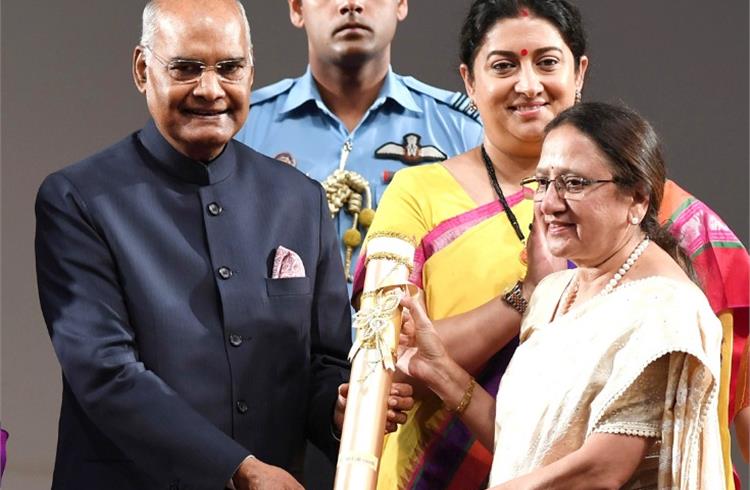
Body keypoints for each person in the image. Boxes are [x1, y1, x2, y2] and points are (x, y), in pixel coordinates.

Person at [358, 1, 748, 488]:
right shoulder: (426, 200)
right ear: (469, 81)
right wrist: (451, 365)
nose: (528, 84)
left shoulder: (672, 235)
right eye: (504, 65)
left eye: (546, 61)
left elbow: (727, 398)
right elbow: (523, 437)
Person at [34, 1, 413, 489]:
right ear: (142, 70)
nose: (210, 90)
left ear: (250, 72)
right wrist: (240, 470)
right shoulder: (80, 199)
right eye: (187, 68)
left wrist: (342, 407)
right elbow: (104, 373)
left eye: (229, 68)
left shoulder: (299, 200)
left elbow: (324, 361)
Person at [399, 102, 726, 489]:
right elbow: (526, 449)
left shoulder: (666, 310)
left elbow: (601, 470)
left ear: (637, 199)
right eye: (543, 182)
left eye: (574, 183)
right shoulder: (555, 292)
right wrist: (441, 371)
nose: (550, 204)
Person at [234, 0, 484, 281]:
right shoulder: (241, 127)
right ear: (296, 8)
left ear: (401, 4)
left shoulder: (463, 130)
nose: (350, 4)